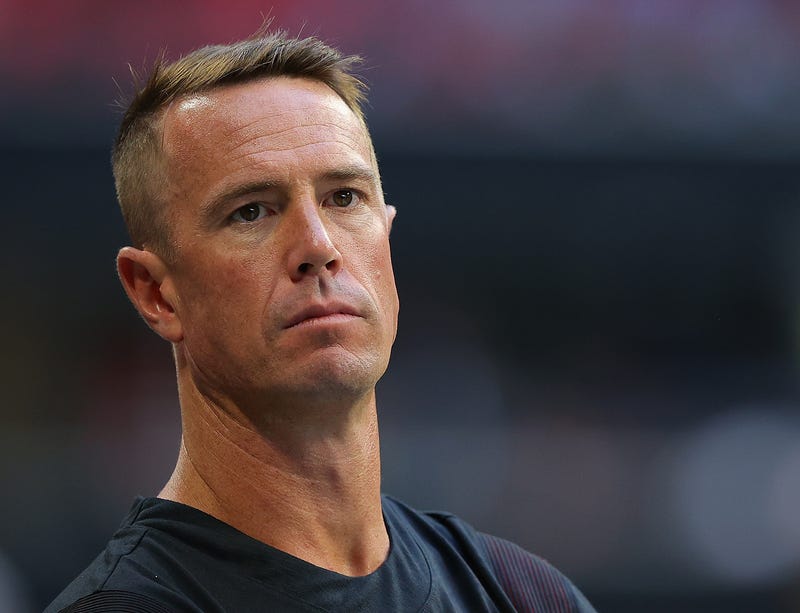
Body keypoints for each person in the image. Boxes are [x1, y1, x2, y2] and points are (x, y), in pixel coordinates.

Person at [46, 29, 597, 613]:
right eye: (251, 211)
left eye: (343, 198)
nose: (318, 245)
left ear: (386, 236)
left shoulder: (524, 595)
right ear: (156, 293)